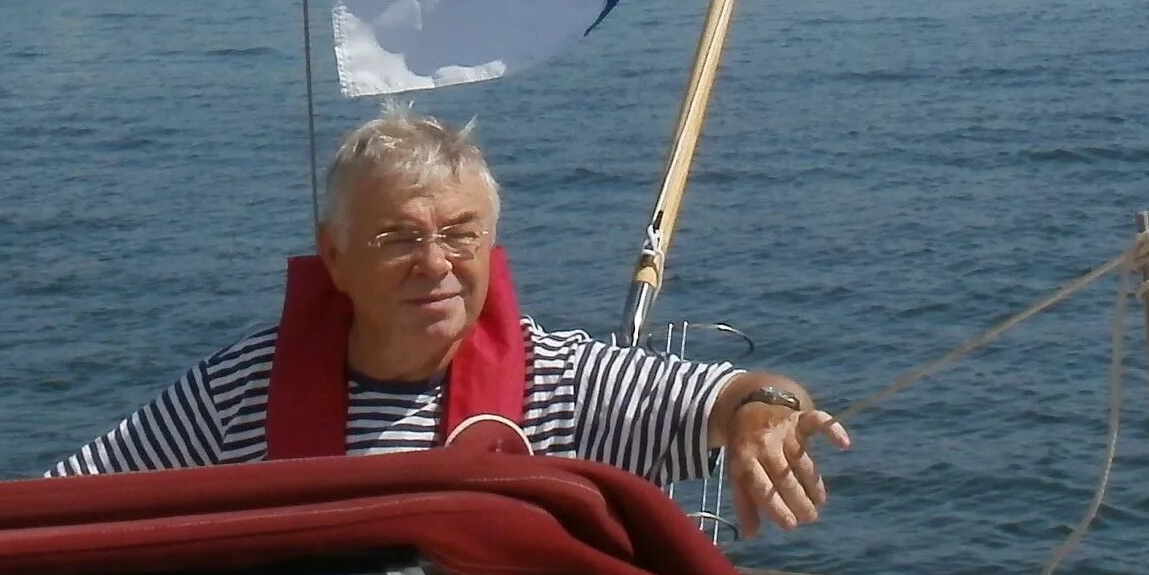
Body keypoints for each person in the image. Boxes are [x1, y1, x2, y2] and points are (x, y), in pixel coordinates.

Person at [52, 107, 851, 537]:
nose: (436, 264)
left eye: (460, 235)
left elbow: (739, 392)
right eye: (399, 239)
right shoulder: (239, 395)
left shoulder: (564, 383)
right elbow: (65, 502)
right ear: (333, 258)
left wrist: (764, 418)